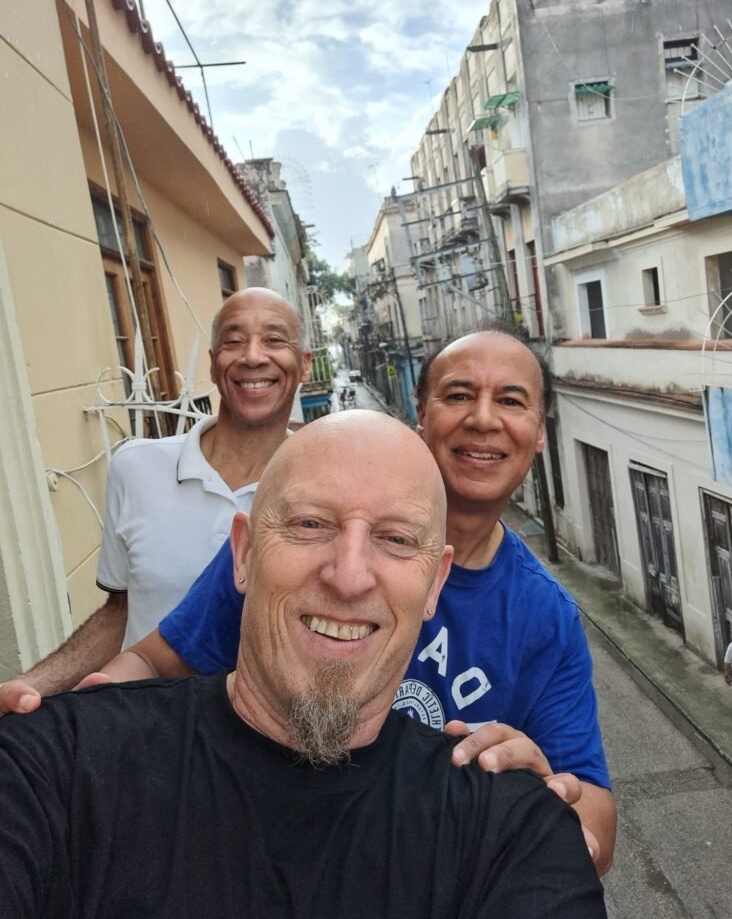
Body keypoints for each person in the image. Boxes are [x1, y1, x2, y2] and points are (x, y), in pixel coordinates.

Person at [27, 323, 614, 870]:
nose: (483, 419)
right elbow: (156, 659)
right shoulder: (297, 556)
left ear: (540, 433)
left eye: (511, 400)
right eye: (458, 395)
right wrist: (73, 725)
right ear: (421, 416)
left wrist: (547, 807)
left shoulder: (546, 618)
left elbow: (595, 818)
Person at [6, 288, 311, 697]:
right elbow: (121, 613)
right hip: (144, 730)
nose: (252, 356)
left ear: (305, 364)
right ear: (213, 362)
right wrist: (31, 685)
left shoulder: (322, 490)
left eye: (274, 340)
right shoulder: (135, 468)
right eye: (233, 341)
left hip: (266, 742)